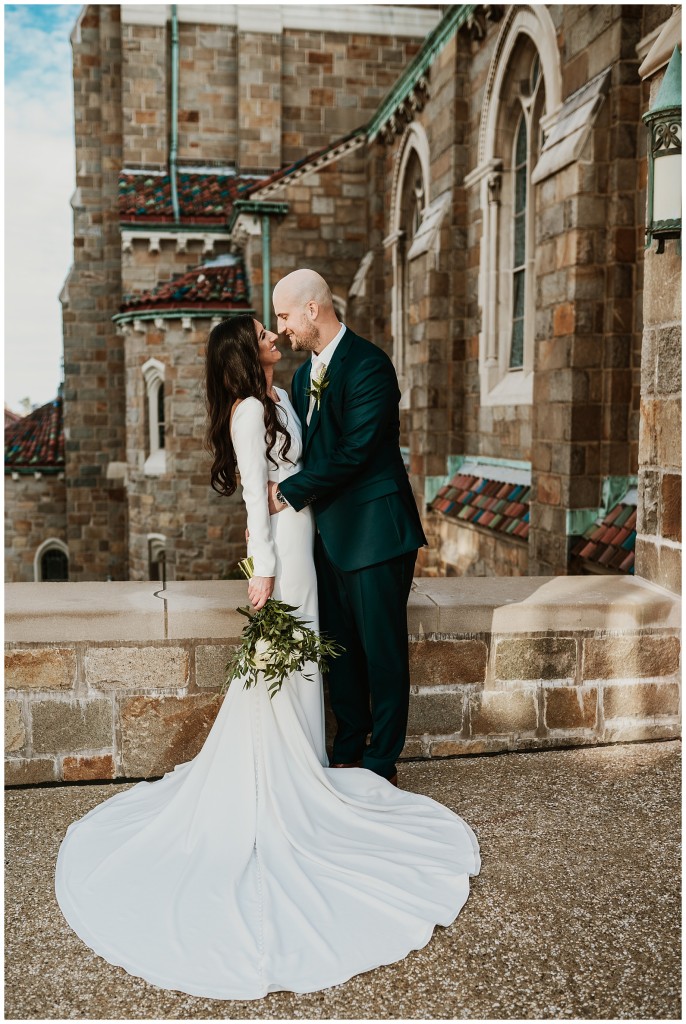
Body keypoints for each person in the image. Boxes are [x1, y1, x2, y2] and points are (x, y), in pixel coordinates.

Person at [54, 313, 480, 1000]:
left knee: (307, 663)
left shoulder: (281, 398)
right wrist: (262, 576)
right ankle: (278, 783)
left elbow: (307, 467)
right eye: (263, 331)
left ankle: (306, 763)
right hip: (283, 553)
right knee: (284, 667)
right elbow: (257, 494)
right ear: (246, 353)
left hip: (312, 540)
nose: (273, 335)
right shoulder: (249, 412)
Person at [269, 268, 427, 786]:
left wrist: (288, 493)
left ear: (312, 309)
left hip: (376, 535)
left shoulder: (370, 365)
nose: (282, 328)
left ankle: (382, 760)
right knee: (338, 649)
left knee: (382, 652)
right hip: (326, 538)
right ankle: (348, 746)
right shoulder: (299, 376)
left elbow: (356, 452)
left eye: (285, 316)